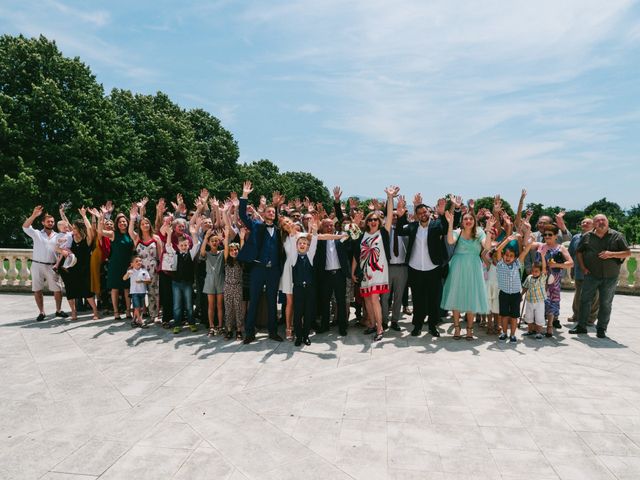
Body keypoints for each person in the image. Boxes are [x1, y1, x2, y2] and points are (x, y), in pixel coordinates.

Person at [396, 195, 459, 338]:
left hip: (433, 269)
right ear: (417, 216)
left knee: (433, 299)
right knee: (418, 300)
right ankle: (417, 326)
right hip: (415, 269)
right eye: (420, 214)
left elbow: (445, 229)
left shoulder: (436, 225)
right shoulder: (412, 226)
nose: (423, 215)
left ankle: (432, 326)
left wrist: (443, 213)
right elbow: (400, 231)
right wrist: (401, 216)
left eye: (425, 212)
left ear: (429, 212)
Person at [238, 181, 286, 344]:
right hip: (258, 268)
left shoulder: (280, 231)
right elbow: (243, 216)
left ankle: (273, 332)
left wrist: (277, 205)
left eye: (274, 212)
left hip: (273, 270)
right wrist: (244, 195)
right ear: (264, 214)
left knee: (272, 302)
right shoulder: (257, 226)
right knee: (254, 300)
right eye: (269, 211)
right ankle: (249, 333)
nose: (272, 213)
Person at [569, 214, 631, 338]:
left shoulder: (617, 236)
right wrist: (582, 267)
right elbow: (579, 252)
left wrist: (611, 254)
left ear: (607, 222)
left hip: (610, 276)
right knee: (585, 300)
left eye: (603, 220)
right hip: (591, 275)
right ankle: (581, 326)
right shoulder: (587, 236)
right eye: (597, 220)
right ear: (594, 223)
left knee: (606, 303)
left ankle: (601, 329)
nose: (600, 222)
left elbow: (627, 253)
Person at [351, 186, 399, 342]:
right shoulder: (362, 235)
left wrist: (390, 198)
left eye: (375, 219)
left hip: (378, 270)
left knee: (374, 299)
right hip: (364, 272)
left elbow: (390, 215)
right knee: (366, 299)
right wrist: (353, 272)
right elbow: (356, 255)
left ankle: (379, 329)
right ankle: (372, 324)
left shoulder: (383, 232)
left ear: (379, 221)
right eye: (370, 219)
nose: (372, 221)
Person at [441, 206, 493, 340]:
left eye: (470, 218)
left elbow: (487, 247)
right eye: (465, 219)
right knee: (455, 296)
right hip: (458, 267)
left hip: (474, 268)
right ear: (462, 221)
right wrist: (450, 223)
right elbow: (450, 241)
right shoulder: (458, 232)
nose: (468, 221)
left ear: (474, 220)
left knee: (472, 297)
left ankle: (470, 330)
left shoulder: (480, 232)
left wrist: (488, 231)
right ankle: (457, 328)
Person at [22, 206, 67, 321]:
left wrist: (62, 214)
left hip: (52, 265)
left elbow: (69, 230)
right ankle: (41, 312)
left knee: (57, 289)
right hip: (37, 265)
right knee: (37, 289)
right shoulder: (37, 233)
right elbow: (25, 226)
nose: (51, 223)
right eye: (48, 221)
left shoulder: (58, 236)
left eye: (52, 221)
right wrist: (34, 215)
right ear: (43, 222)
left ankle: (58, 310)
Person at [58, 209, 100, 321]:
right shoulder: (71, 238)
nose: (72, 229)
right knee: (70, 291)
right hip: (70, 268)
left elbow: (89, 228)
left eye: (75, 228)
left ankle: (95, 312)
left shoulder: (87, 239)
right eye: (73, 228)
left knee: (87, 291)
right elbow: (67, 224)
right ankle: (74, 312)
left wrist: (84, 215)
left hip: (84, 269)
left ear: (80, 229)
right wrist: (62, 214)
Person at [494, 231, 533, 342]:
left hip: (515, 294)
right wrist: (508, 240)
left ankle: (513, 335)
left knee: (514, 316)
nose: (508, 258)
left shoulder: (517, 264)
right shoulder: (500, 264)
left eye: (511, 256)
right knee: (504, 315)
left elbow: (525, 251)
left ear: (515, 257)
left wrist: (531, 242)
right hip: (504, 294)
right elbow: (498, 250)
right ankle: (504, 333)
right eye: (506, 255)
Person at [536, 224, 573, 337]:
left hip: (554, 279)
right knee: (540, 300)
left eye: (549, 234)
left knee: (552, 301)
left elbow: (571, 263)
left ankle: (550, 325)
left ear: (556, 236)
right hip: (541, 278)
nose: (547, 236)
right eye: (545, 234)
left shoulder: (560, 248)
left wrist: (557, 264)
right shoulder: (541, 247)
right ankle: (539, 325)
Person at [128, 204, 162, 322]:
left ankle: (154, 314)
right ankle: (139, 316)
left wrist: (159, 267)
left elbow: (160, 254)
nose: (145, 225)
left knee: (153, 292)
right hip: (140, 270)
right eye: (142, 224)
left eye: (147, 223)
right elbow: (130, 231)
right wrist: (132, 219)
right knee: (140, 292)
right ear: (140, 226)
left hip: (153, 269)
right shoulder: (137, 238)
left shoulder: (156, 238)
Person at [165, 225, 201, 334]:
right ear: (178, 246)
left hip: (188, 283)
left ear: (188, 245)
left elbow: (196, 245)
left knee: (189, 305)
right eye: (182, 245)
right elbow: (167, 246)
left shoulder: (190, 253)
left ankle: (191, 323)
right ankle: (177, 324)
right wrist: (169, 234)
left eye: (186, 245)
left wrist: (194, 233)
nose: (184, 247)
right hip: (176, 283)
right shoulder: (175, 254)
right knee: (177, 305)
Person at [381, 195, 409, 332]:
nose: (395, 219)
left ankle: (395, 321)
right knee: (385, 297)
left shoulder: (405, 230)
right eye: (393, 216)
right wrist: (390, 199)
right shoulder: (384, 231)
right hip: (387, 267)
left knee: (399, 296)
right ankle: (384, 320)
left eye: (397, 216)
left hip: (402, 268)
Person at [101, 212, 134, 320]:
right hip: (115, 265)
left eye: (124, 221)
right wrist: (102, 217)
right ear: (117, 223)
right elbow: (100, 231)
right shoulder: (113, 233)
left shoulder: (131, 233)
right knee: (114, 289)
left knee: (127, 289)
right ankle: (116, 312)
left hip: (127, 265)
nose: (122, 223)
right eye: (120, 222)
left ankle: (128, 311)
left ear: (127, 222)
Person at [290, 224, 319, 346]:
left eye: (305, 243)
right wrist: (293, 234)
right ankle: (298, 336)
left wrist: (315, 231)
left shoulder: (310, 257)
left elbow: (314, 243)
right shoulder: (293, 257)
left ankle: (306, 336)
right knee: (298, 313)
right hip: (298, 289)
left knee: (308, 313)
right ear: (296, 246)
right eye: (300, 243)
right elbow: (292, 244)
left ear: (308, 246)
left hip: (309, 289)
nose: (302, 245)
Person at [568, 218, 599, 324]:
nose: (585, 224)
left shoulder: (597, 238)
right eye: (583, 222)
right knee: (578, 294)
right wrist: (572, 269)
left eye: (588, 223)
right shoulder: (576, 238)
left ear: (593, 225)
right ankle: (576, 315)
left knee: (595, 295)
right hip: (579, 271)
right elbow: (571, 254)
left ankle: (591, 318)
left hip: (595, 272)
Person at [199, 229, 225, 336]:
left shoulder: (222, 253)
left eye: (216, 240)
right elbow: (202, 252)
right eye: (212, 241)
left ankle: (220, 325)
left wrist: (222, 239)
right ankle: (211, 326)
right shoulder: (207, 254)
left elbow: (227, 248)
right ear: (209, 243)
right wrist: (205, 238)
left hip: (220, 280)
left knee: (220, 305)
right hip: (209, 280)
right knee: (211, 305)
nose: (214, 242)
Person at [222, 225, 245, 340]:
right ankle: (229, 330)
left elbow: (243, 249)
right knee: (228, 308)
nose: (233, 252)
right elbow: (226, 247)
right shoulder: (227, 261)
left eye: (235, 250)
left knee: (238, 308)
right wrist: (226, 237)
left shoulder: (240, 261)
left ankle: (239, 330)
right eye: (231, 250)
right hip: (227, 287)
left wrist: (241, 239)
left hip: (238, 287)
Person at [521, 256, 547, 340]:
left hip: (539, 302)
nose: (534, 273)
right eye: (533, 271)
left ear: (540, 272)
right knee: (529, 316)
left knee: (539, 317)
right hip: (529, 301)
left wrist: (542, 256)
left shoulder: (542, 278)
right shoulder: (529, 278)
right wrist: (521, 294)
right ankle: (530, 330)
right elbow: (525, 287)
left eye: (536, 271)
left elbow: (544, 268)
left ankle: (539, 333)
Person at [123, 255, 151, 328]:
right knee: (137, 307)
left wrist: (141, 281)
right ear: (132, 264)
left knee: (141, 308)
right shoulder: (131, 271)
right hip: (134, 292)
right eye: (136, 261)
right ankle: (140, 321)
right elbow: (124, 278)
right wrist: (127, 274)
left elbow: (149, 280)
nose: (139, 262)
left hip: (142, 291)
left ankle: (133, 321)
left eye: (140, 261)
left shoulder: (144, 271)